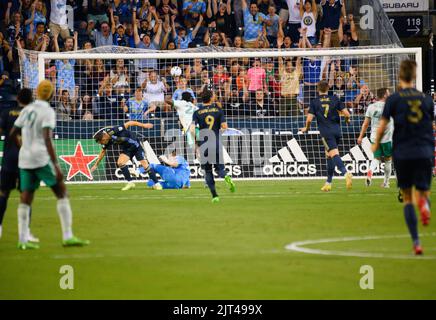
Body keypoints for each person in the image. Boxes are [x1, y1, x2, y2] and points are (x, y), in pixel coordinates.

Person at [10, 80, 89, 250]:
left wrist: (24, 147)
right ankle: (67, 236)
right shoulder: (47, 111)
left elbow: (12, 133)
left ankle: (22, 240)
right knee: (61, 192)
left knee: (26, 196)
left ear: (37, 92)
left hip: (25, 158)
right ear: (52, 94)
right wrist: (56, 164)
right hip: (41, 157)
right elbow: (46, 137)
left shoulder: (27, 109)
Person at [372, 60, 434, 255]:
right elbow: (432, 125)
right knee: (423, 193)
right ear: (414, 76)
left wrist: (375, 144)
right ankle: (424, 204)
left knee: (407, 198)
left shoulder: (393, 99)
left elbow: (382, 126)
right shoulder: (426, 99)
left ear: (400, 76)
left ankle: (416, 242)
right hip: (424, 151)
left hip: (403, 152)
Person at [300, 80, 353, 191]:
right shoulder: (335, 98)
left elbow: (309, 119)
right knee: (329, 155)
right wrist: (347, 121)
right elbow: (347, 114)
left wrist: (306, 128)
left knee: (333, 154)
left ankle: (345, 173)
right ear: (328, 88)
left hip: (326, 131)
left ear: (317, 89)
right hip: (337, 130)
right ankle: (328, 183)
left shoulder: (315, 102)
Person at [0, 88, 38, 242]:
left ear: (17, 98)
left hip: (9, 159)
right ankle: (25, 232)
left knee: (3, 194)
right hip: (26, 161)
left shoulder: (7, 113)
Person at [190, 89, 235, 203]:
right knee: (220, 169)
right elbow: (225, 127)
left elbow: (191, 129)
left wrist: (198, 140)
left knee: (208, 171)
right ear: (210, 98)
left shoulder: (197, 112)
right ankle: (225, 176)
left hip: (204, 144)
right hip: (215, 142)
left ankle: (215, 196)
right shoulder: (218, 110)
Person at [91, 121, 162, 191]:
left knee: (145, 165)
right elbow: (103, 152)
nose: (101, 144)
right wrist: (96, 165)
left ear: (104, 138)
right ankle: (130, 183)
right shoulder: (107, 141)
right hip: (127, 149)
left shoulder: (113, 131)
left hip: (136, 146)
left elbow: (129, 123)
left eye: (101, 142)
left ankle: (157, 184)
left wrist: (143, 125)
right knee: (120, 163)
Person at [357, 88, 393, 188]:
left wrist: (360, 137)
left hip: (374, 137)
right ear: (385, 95)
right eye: (388, 93)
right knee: (388, 160)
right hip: (387, 138)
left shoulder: (371, 107)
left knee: (376, 158)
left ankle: (370, 172)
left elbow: (365, 124)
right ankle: (386, 183)